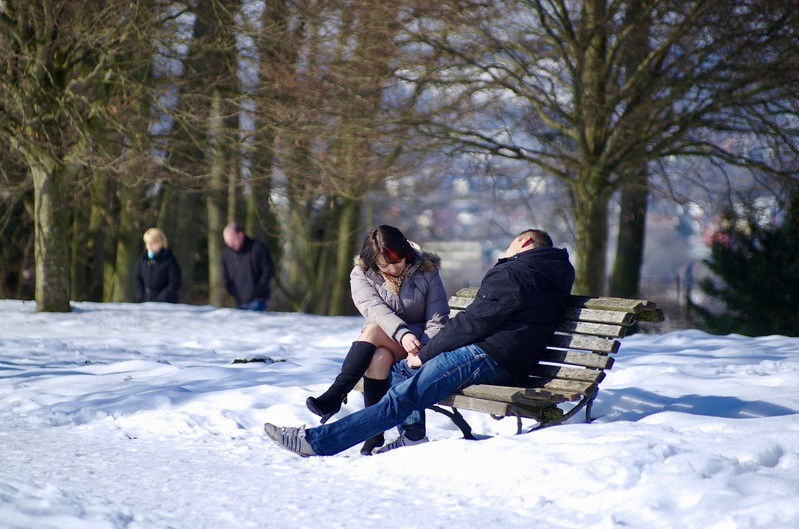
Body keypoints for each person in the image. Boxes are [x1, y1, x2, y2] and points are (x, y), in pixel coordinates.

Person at [264, 228, 575, 456]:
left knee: (404, 395)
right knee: (401, 370)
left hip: (487, 356)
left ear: (525, 242)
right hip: (504, 358)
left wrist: (425, 354)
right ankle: (412, 434)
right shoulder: (552, 274)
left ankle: (316, 442)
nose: (505, 252)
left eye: (509, 246)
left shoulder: (516, 273)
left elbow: (471, 324)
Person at [305, 225, 449, 454]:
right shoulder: (361, 274)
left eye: (398, 261)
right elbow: (375, 310)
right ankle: (375, 434)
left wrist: (421, 348)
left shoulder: (427, 270)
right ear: (373, 262)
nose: (392, 268)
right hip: (389, 342)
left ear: (406, 253)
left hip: (423, 345)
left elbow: (437, 319)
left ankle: (336, 394)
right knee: (379, 357)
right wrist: (402, 334)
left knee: (372, 331)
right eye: (384, 265)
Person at [222, 222, 274, 311]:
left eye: (232, 241)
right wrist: (232, 291)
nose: (230, 245)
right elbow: (225, 276)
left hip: (258, 300)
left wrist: (259, 290)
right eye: (227, 242)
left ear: (241, 235)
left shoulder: (258, 248)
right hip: (239, 301)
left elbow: (268, 270)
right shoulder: (226, 254)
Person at [134, 227, 182, 303]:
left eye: (152, 243)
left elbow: (174, 283)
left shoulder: (169, 260)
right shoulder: (142, 259)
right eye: (147, 243)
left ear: (161, 243)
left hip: (166, 303)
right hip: (145, 302)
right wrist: (141, 296)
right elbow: (137, 279)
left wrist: (161, 298)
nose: (149, 246)